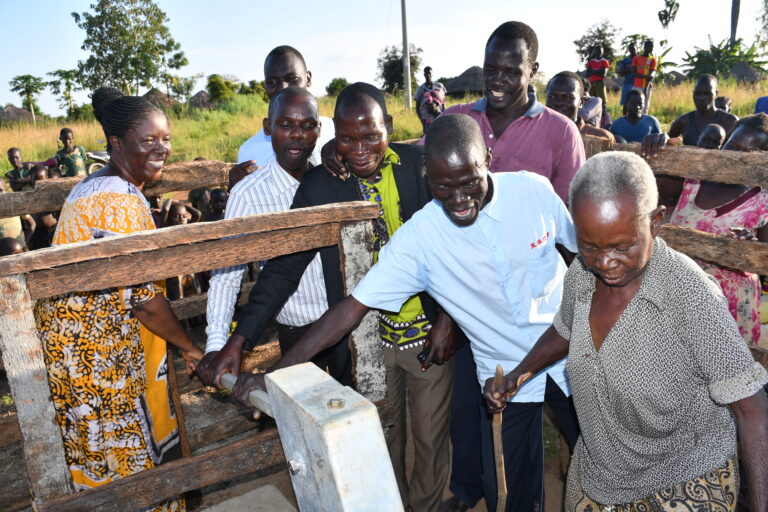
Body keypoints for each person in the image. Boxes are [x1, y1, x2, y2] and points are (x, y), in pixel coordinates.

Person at [230, 114, 580, 512]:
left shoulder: (532, 193)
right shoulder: (420, 239)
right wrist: (275, 371)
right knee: (515, 490)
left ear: (487, 157)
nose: (460, 200)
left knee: (598, 455)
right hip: (505, 376)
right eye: (444, 187)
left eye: (469, 182)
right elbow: (351, 309)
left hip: (571, 351)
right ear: (427, 171)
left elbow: (578, 253)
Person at [199, 83, 456, 512]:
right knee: (377, 438)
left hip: (428, 335)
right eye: (348, 139)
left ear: (389, 127)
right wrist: (237, 341)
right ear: (333, 135)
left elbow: (454, 244)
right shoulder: (320, 185)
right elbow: (283, 270)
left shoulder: (419, 167)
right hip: (365, 342)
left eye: (371, 135)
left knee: (431, 441)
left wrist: (447, 319)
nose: (359, 149)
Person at [485, 151, 768, 511]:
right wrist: (517, 375)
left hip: (682, 477)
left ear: (656, 223)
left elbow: (752, 408)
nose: (605, 263)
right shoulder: (582, 275)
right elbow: (566, 329)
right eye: (590, 246)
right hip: (599, 476)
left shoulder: (689, 296)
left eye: (623, 247)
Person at [34, 87, 203, 509]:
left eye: (166, 138)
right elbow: (144, 301)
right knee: (131, 473)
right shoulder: (117, 203)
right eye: (148, 140)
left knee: (103, 468)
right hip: (101, 364)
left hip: (82, 358)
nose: (161, 148)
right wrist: (190, 346)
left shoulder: (95, 187)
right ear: (116, 144)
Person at [437, 21, 585, 204]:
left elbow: (569, 211)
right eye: (491, 70)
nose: (497, 81)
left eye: (511, 73)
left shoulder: (562, 132)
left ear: (533, 71)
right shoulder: (454, 120)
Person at [669, 114, 768, 345]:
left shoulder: (762, 200)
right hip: (678, 299)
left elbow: (765, 257)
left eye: (747, 153)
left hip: (731, 308)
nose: (735, 157)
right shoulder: (692, 179)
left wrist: (751, 250)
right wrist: (661, 143)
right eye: (732, 146)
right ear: (724, 141)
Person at [231, 46, 334, 188]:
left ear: (308, 78)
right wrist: (235, 189)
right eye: (272, 82)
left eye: (292, 79)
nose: (283, 88)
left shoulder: (335, 132)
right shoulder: (250, 151)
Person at [641, 75, 738, 156]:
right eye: (698, 94)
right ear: (693, 94)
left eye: (707, 94)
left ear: (716, 94)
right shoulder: (683, 121)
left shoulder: (730, 121)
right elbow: (668, 142)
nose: (702, 98)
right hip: (689, 174)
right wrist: (661, 138)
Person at [546, 71, 615, 144]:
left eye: (568, 97)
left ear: (581, 102)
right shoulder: (535, 131)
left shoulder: (603, 139)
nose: (558, 103)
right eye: (552, 97)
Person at [28, 165, 58, 250]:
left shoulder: (51, 194)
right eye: (35, 179)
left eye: (41, 179)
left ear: (47, 178)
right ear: (31, 179)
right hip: (37, 232)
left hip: (52, 230)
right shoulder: (28, 195)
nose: (38, 182)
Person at [414, 66, 447, 131]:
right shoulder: (420, 89)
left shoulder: (439, 86)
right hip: (427, 120)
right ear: (424, 75)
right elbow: (417, 107)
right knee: (427, 138)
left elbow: (443, 102)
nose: (428, 75)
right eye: (426, 73)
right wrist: (422, 120)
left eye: (429, 73)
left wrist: (444, 114)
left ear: (432, 74)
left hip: (439, 117)